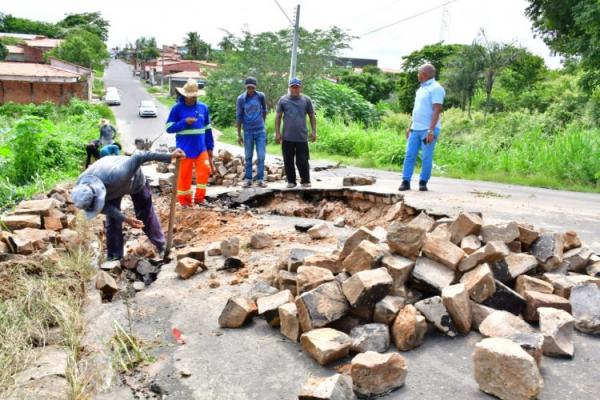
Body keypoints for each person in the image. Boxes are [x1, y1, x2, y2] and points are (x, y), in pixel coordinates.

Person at [71, 149, 186, 260]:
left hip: (135, 182)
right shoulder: (80, 188)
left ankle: (161, 246)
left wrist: (169, 156)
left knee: (145, 214)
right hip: (109, 189)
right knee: (113, 221)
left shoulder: (118, 174)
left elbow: (139, 156)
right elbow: (106, 208)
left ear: (97, 195)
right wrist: (126, 219)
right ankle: (114, 257)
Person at [165, 79, 215, 207]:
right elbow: (169, 128)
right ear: (184, 95)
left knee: (204, 171)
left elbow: (208, 129)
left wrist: (210, 147)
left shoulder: (203, 107)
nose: (192, 99)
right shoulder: (177, 108)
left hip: (201, 147)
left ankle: (200, 198)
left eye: (194, 96)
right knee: (184, 176)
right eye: (189, 96)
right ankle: (185, 201)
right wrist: (184, 123)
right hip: (184, 149)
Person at [399, 63, 445, 192]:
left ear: (424, 74)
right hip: (415, 128)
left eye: (419, 73)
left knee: (426, 156)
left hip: (428, 129)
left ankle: (423, 181)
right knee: (409, 155)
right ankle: (405, 181)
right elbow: (416, 110)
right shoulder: (420, 89)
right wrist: (410, 126)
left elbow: (437, 110)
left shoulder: (436, 88)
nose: (417, 75)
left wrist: (431, 130)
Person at [275, 77, 317, 188]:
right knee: (288, 160)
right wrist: (277, 133)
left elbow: (312, 116)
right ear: (289, 88)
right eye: (293, 87)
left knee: (302, 160)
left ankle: (305, 180)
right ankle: (291, 181)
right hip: (287, 137)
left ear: (300, 88)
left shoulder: (306, 100)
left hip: (302, 137)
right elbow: (278, 117)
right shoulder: (283, 100)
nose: (295, 89)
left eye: (296, 87)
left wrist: (314, 131)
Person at [236, 76, 267, 188]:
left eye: (252, 88)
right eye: (248, 87)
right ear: (246, 87)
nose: (250, 90)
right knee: (248, 156)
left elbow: (264, 111)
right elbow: (239, 117)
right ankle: (248, 179)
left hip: (260, 131)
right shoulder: (241, 99)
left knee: (261, 156)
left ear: (255, 87)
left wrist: (262, 124)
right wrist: (239, 134)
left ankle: (260, 179)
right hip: (247, 131)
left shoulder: (260, 96)